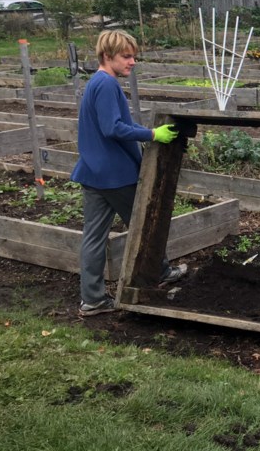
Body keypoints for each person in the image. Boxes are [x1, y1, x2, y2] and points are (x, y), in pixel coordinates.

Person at [72, 30, 186, 317]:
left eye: (133, 56)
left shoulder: (95, 83)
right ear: (107, 56)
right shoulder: (107, 85)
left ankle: (92, 299)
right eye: (126, 56)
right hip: (115, 175)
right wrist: (151, 134)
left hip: (93, 172)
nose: (132, 61)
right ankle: (160, 273)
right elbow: (113, 128)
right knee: (147, 223)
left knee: (94, 237)